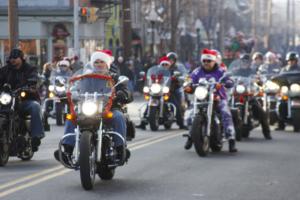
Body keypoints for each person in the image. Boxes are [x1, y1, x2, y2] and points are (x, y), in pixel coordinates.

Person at [54, 50, 133, 165]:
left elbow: (125, 91)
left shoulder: (114, 78)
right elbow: (74, 88)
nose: (99, 64)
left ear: (107, 64)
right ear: (92, 64)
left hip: (109, 108)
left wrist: (123, 94)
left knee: (118, 116)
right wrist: (67, 94)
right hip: (88, 108)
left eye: (102, 62)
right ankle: (67, 149)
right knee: (71, 117)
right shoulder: (84, 78)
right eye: (96, 62)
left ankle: (120, 148)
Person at [184, 48, 237, 152]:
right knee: (190, 114)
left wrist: (226, 83)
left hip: (218, 97)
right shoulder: (197, 71)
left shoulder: (220, 71)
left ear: (214, 61)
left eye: (209, 61)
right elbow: (189, 80)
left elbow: (229, 80)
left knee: (226, 113)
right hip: (201, 98)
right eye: (204, 61)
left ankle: (231, 139)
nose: (206, 63)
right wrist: (187, 86)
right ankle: (191, 136)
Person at [0, 49, 44, 151]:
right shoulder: (4, 70)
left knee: (35, 106)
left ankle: (36, 136)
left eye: (15, 58)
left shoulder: (29, 69)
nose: (13, 60)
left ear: (21, 58)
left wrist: (32, 83)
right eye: (11, 58)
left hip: (25, 99)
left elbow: (34, 77)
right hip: (7, 100)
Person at [229, 54, 272, 140]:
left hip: (248, 95)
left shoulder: (253, 71)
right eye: (243, 61)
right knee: (225, 108)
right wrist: (226, 78)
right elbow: (229, 77)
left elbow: (259, 79)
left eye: (246, 61)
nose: (244, 63)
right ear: (240, 62)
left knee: (261, 112)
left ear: (249, 63)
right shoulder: (235, 71)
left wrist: (259, 81)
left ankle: (267, 133)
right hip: (237, 94)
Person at [276, 51, 300, 130]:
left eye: (293, 60)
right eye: (290, 60)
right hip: (287, 91)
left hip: (298, 91)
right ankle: (281, 124)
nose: (291, 62)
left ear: (296, 61)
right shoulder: (284, 69)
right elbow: (279, 78)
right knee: (281, 103)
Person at [166, 52, 188, 129]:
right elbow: (157, 73)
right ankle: (144, 121)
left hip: (176, 88)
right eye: (169, 60)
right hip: (165, 89)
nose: (170, 61)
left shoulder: (179, 67)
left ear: (175, 60)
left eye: (172, 60)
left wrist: (180, 78)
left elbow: (185, 75)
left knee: (177, 105)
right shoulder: (164, 66)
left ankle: (181, 123)